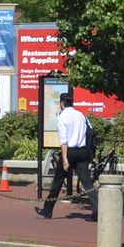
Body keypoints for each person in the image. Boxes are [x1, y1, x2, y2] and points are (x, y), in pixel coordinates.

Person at [37, 92, 94, 220]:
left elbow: (64, 140)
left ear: (62, 103)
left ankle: (47, 210)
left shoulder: (62, 117)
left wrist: (64, 159)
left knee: (57, 181)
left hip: (70, 152)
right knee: (87, 183)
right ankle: (97, 211)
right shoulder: (81, 115)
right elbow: (89, 131)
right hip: (83, 151)